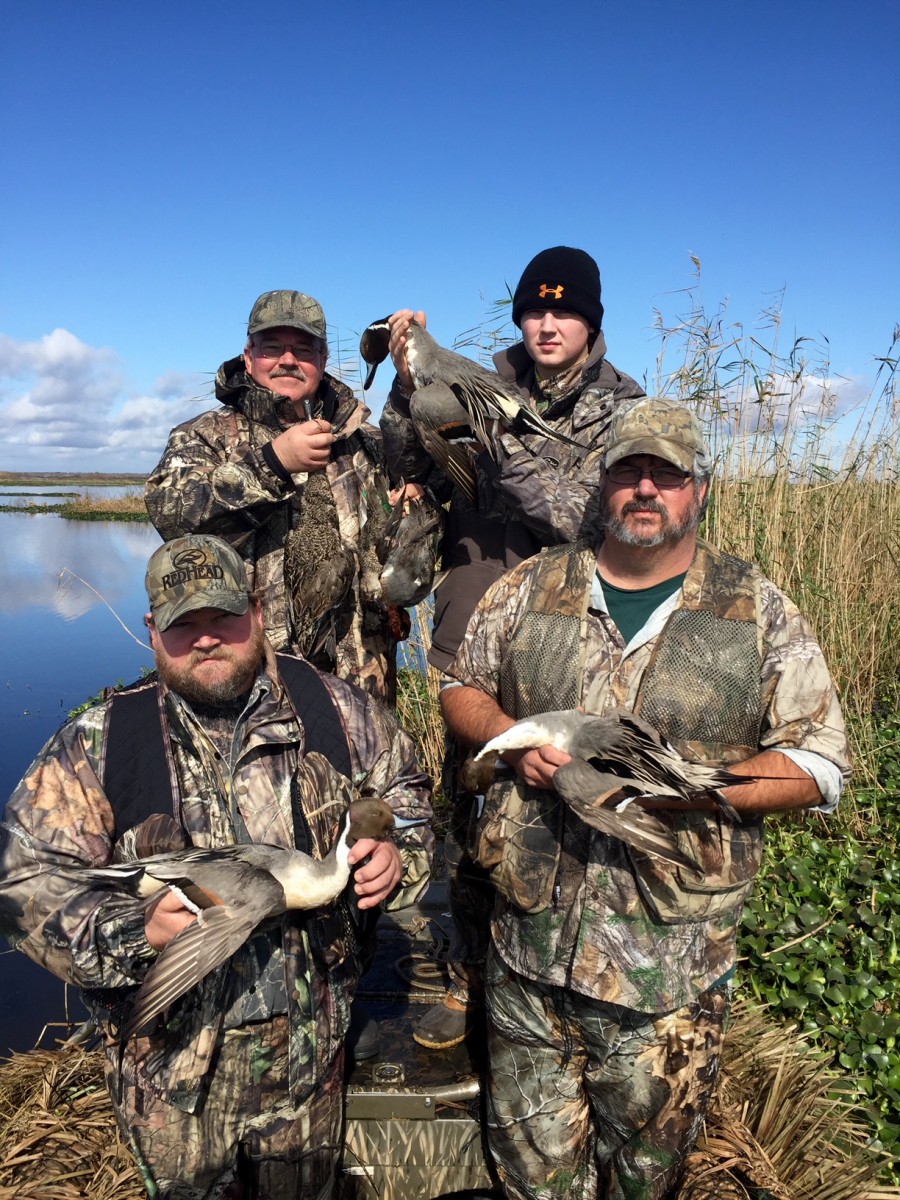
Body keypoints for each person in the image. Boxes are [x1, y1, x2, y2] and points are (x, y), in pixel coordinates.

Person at [441, 396, 851, 1199]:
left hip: (668, 978)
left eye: (667, 474)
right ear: (603, 483)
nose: (645, 489)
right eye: (628, 470)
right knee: (532, 1183)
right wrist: (517, 739)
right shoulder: (534, 584)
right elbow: (461, 687)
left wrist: (683, 793)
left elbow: (820, 764)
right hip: (529, 954)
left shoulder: (754, 608)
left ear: (701, 488)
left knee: (646, 1183)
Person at [0, 534, 433, 1200]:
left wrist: (399, 857)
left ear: (257, 613)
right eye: (184, 624)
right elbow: (24, 884)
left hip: (310, 1075)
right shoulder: (102, 739)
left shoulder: (338, 711)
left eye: (222, 617)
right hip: (172, 1091)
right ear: (153, 630)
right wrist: (137, 932)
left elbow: (407, 800)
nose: (205, 639)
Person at [380, 246, 645, 1048]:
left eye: (564, 311)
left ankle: (563, 981)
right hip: (470, 632)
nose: (547, 325)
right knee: (471, 805)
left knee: (561, 813)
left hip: (568, 644)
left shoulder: (624, 409)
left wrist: (489, 439)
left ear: (591, 321)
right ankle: (468, 973)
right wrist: (408, 383)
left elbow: (583, 520)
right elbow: (404, 464)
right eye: (534, 310)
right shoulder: (469, 378)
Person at [145, 290, 408, 706]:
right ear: (248, 356)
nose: (288, 360)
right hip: (249, 694)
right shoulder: (202, 437)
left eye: (303, 350)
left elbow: (436, 482)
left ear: (323, 359)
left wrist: (411, 382)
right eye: (272, 348)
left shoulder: (366, 442)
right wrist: (273, 463)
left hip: (360, 695)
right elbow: (171, 518)